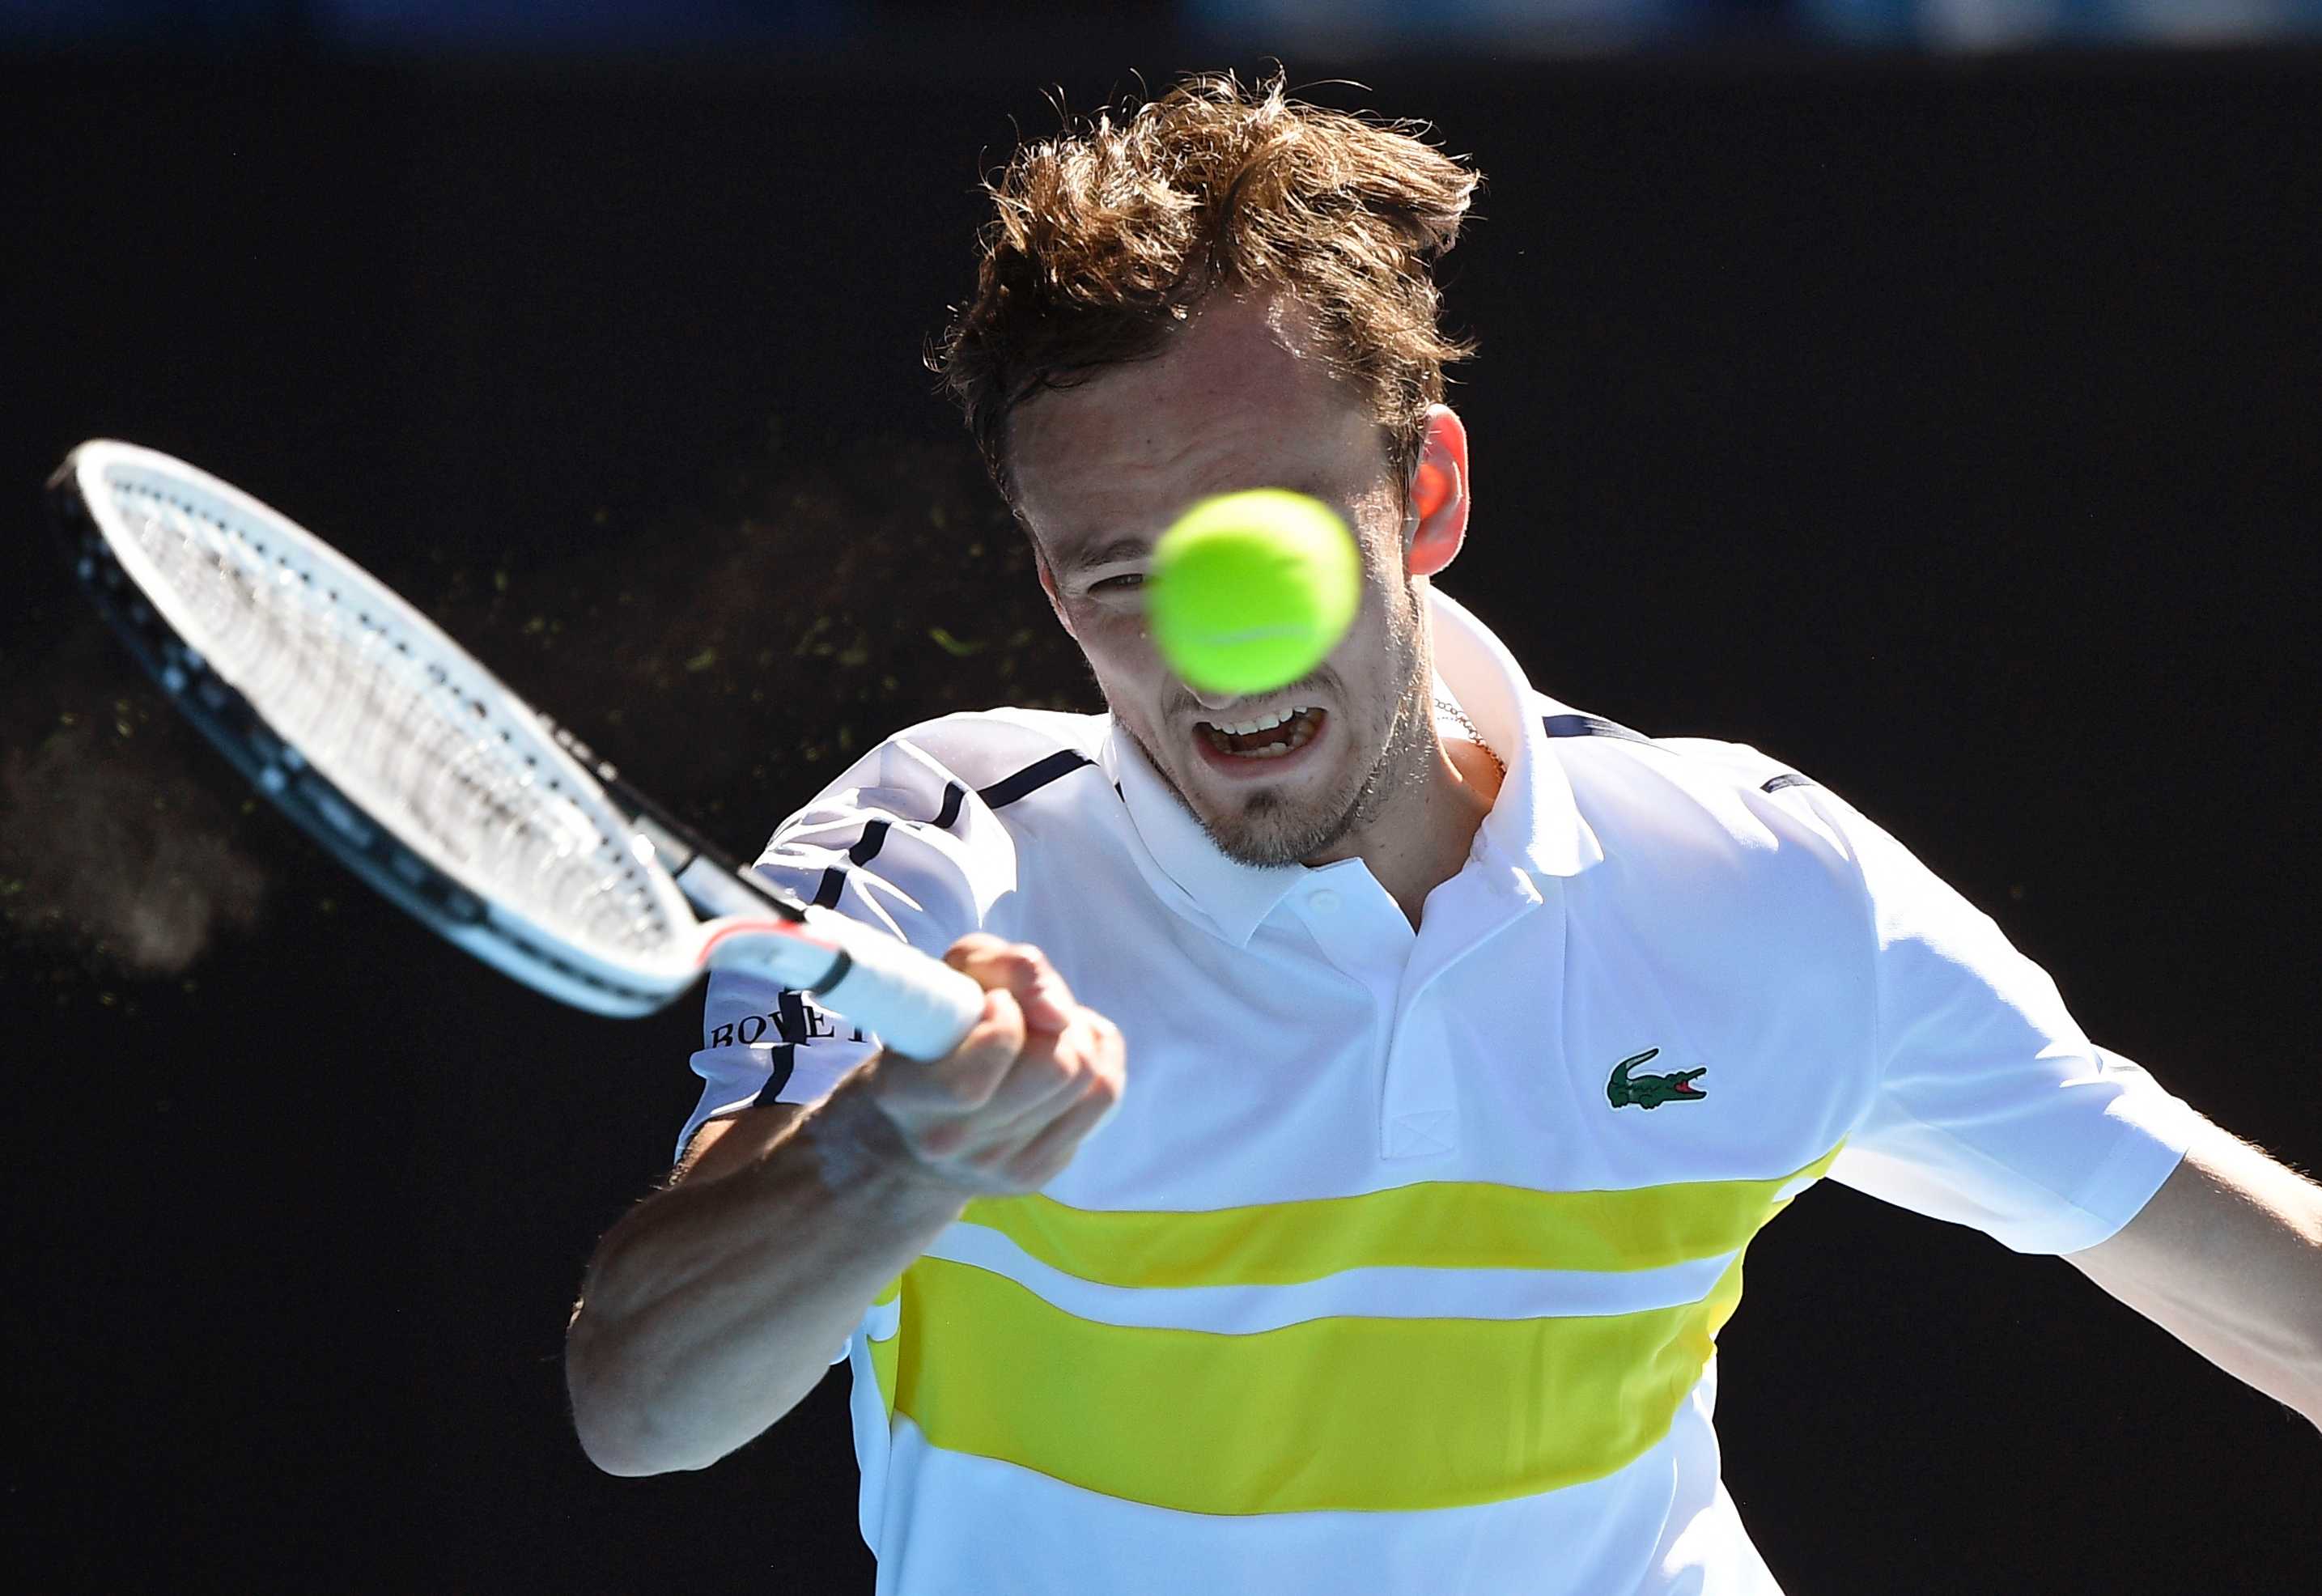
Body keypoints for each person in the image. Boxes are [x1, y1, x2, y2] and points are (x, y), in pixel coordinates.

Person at [563, 71, 2320, 1594]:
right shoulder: (937, 863)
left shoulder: (1755, 888)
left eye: (1262, 553)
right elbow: (642, 1406)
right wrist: (893, 1160)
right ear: (1048, 586)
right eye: (1118, 578)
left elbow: (2246, 1281)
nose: (1209, 654)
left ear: (1424, 496)